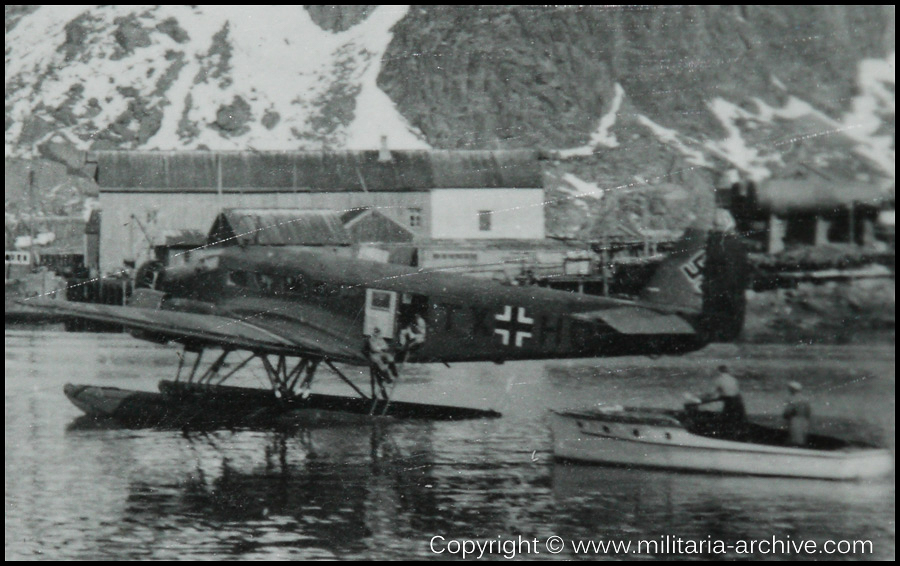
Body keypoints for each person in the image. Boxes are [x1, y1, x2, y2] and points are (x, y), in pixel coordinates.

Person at [697, 365, 746, 437]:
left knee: (726, 419)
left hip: (729, 401)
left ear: (719, 371)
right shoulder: (733, 379)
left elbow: (711, 393)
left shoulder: (719, 380)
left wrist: (701, 396)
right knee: (738, 420)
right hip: (738, 401)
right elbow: (734, 391)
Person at [783, 381, 812, 446]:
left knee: (794, 437)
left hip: (795, 420)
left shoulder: (792, 399)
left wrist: (785, 416)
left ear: (792, 389)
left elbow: (788, 411)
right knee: (802, 437)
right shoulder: (805, 399)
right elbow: (808, 411)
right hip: (804, 420)